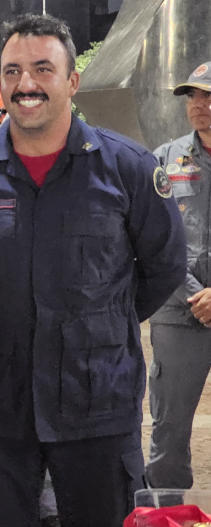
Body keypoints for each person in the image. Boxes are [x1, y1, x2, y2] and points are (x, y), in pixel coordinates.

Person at [0, 14, 186, 527]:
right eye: (13, 71)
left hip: (97, 405)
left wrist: (98, 322)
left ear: (72, 81)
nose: (26, 84)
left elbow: (162, 267)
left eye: (43, 69)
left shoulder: (128, 169)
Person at [146, 61, 211, 489]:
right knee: (168, 430)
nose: (199, 105)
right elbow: (152, 238)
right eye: (193, 96)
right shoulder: (165, 160)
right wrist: (197, 294)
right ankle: (166, 526)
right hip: (179, 310)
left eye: (209, 96)